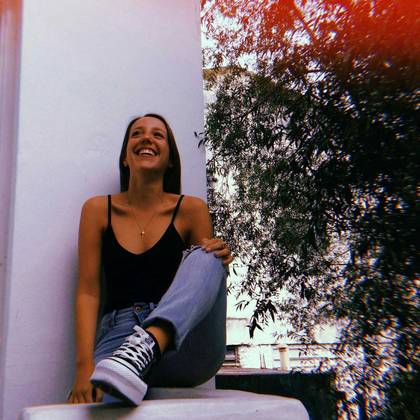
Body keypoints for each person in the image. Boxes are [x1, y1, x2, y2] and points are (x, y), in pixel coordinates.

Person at [67, 113, 233, 405]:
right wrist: (83, 368)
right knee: (96, 407)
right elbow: (88, 291)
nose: (146, 138)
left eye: (158, 135)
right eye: (137, 133)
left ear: (170, 160)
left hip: (184, 346)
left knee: (208, 255)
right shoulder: (97, 210)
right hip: (120, 341)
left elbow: (202, 285)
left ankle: (150, 342)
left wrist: (218, 255)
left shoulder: (191, 209)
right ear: (125, 158)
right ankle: (134, 358)